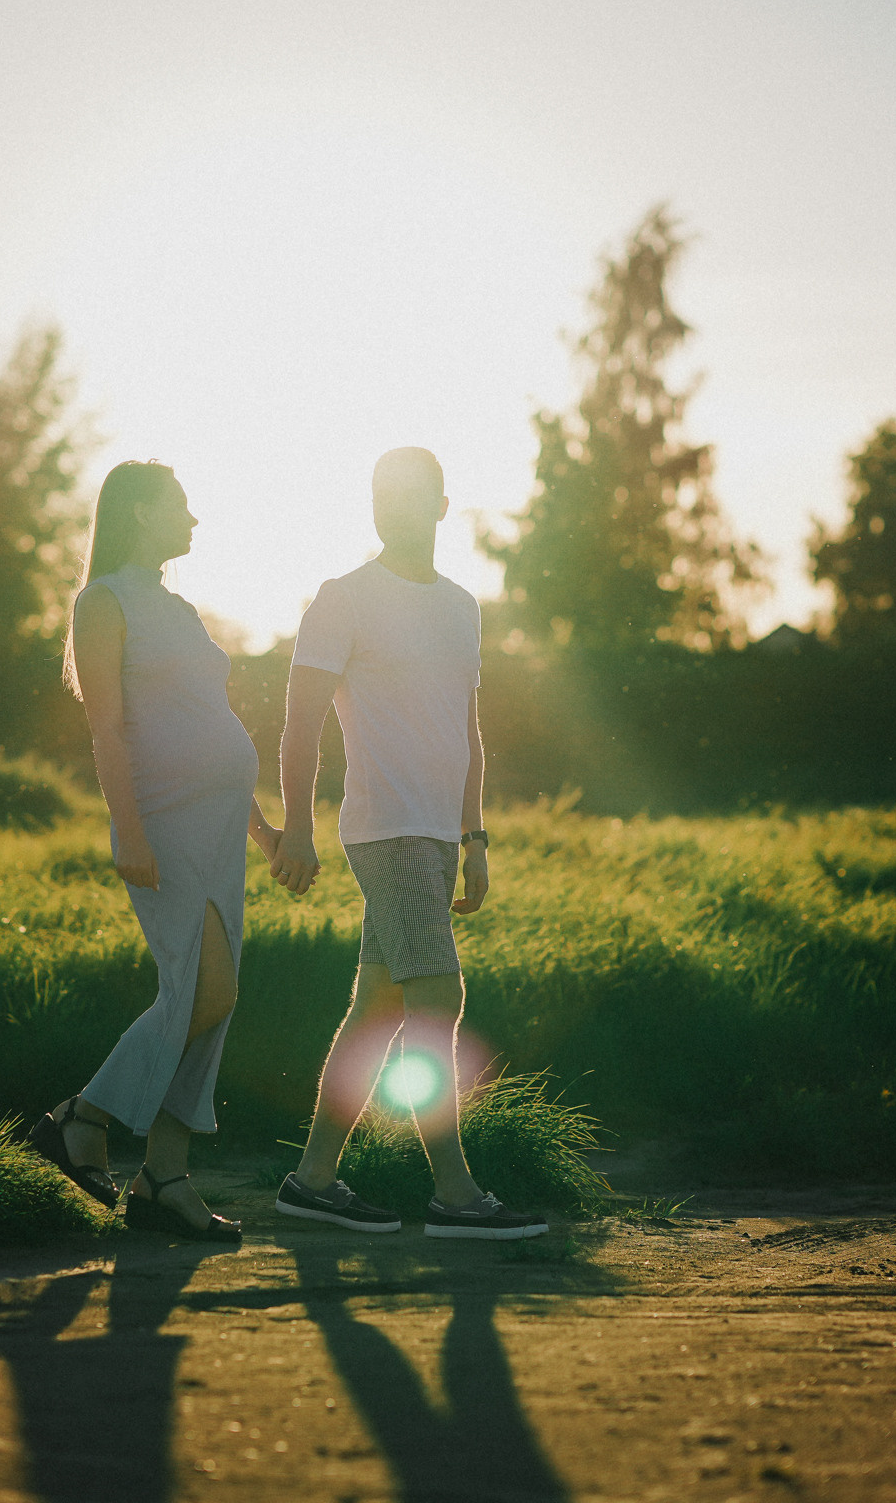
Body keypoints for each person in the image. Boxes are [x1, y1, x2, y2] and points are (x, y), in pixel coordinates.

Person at [268, 448, 549, 1241]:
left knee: (379, 1007)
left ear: (441, 507)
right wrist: (298, 825)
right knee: (438, 997)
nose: (391, 507)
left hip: (436, 832)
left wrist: (474, 835)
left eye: (409, 496)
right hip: (386, 826)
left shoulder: (461, 606)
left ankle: (311, 1181)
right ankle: (455, 1195)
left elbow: (467, 729)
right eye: (381, 495)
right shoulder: (343, 598)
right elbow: (300, 723)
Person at [29, 461, 278, 1243]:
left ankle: (163, 1177)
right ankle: (83, 1116)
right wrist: (127, 827)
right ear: (140, 512)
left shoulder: (179, 608)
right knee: (200, 991)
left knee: (215, 998)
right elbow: (107, 728)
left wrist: (265, 831)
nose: (194, 519)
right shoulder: (103, 602)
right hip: (164, 823)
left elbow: (211, 724)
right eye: (180, 505)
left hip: (220, 827)